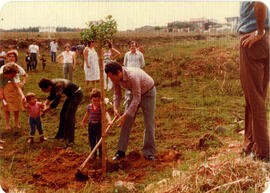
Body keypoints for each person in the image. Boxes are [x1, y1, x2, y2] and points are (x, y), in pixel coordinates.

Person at [238, 1, 270, 161]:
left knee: (254, 98)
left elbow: (260, 3)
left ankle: (263, 152)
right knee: (257, 97)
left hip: (253, 40)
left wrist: (258, 32)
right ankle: (250, 144)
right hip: (265, 39)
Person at [105, 61, 156, 160]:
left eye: (112, 77)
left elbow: (137, 98)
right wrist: (115, 108)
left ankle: (149, 152)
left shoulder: (132, 76)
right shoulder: (114, 78)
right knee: (126, 123)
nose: (112, 80)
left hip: (148, 92)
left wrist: (125, 114)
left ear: (119, 72)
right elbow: (117, 94)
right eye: (110, 78)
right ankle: (120, 151)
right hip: (132, 92)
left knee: (149, 123)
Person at [39, 78, 83, 146]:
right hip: (70, 95)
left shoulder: (58, 85)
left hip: (77, 94)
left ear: (48, 86)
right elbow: (51, 96)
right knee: (62, 114)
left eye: (43, 89)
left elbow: (56, 102)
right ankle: (60, 135)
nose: (43, 91)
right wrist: (45, 103)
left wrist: (45, 110)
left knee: (69, 116)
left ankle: (70, 139)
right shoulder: (52, 84)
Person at [0, 51, 28, 131]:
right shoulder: (2, 75)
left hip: (11, 88)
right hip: (3, 89)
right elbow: (1, 89)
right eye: (9, 56)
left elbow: (17, 87)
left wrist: (23, 96)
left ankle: (16, 123)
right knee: (5, 106)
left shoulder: (11, 76)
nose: (11, 58)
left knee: (16, 106)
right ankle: (7, 125)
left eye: (13, 56)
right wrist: (2, 96)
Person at [81, 88, 112, 158]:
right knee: (92, 141)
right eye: (94, 101)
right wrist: (83, 122)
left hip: (99, 125)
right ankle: (93, 155)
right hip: (91, 125)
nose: (96, 102)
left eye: (98, 101)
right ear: (91, 99)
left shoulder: (101, 106)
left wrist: (109, 121)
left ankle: (102, 155)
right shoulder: (89, 107)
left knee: (100, 141)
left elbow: (106, 113)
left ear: (100, 100)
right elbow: (87, 114)